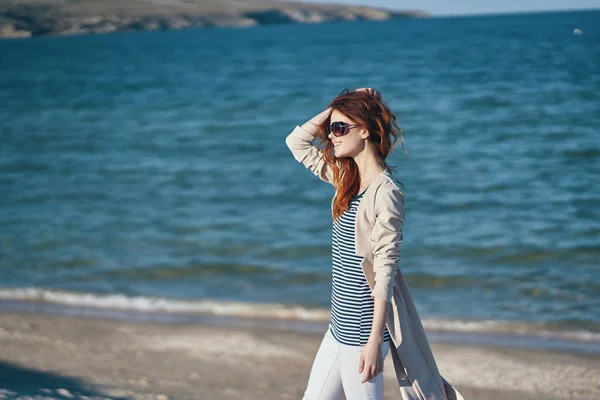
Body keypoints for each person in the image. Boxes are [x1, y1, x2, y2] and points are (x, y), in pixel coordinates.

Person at [285, 88, 464, 400]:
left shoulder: (386, 192)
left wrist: (372, 343)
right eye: (331, 129)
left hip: (360, 331)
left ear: (364, 131)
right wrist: (336, 109)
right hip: (337, 326)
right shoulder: (346, 179)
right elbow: (296, 143)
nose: (332, 135)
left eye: (340, 128)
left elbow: (385, 272)